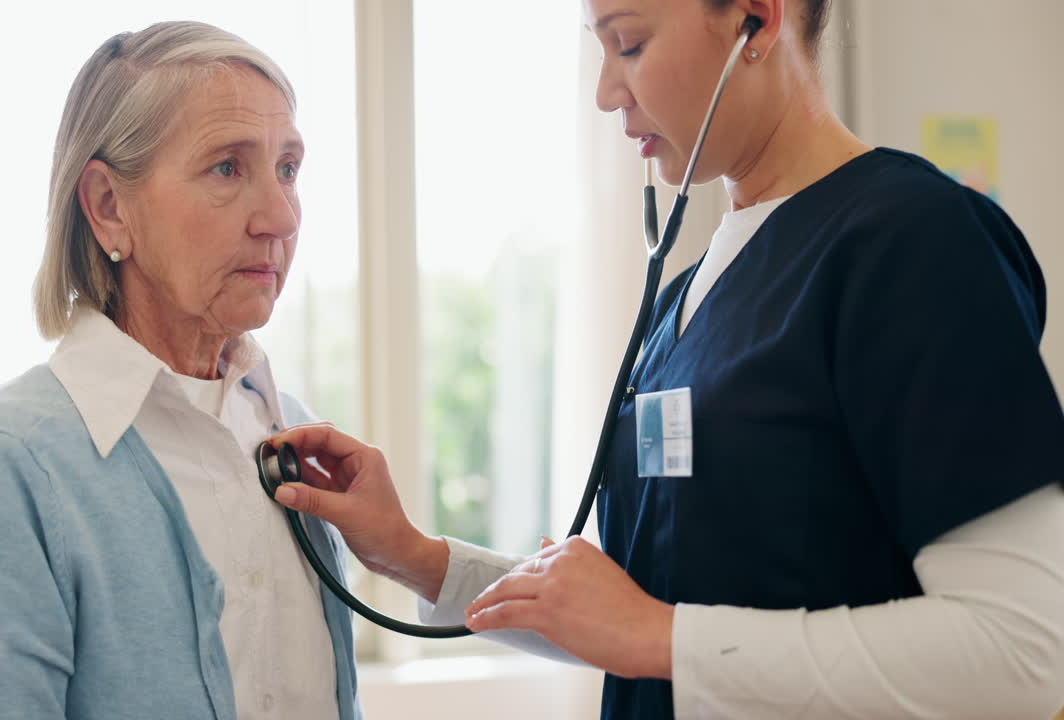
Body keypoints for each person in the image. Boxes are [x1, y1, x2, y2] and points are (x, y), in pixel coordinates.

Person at [266, 0, 1064, 718]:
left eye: (631, 44)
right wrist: (415, 556)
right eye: (599, 52)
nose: (607, 93)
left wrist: (659, 637)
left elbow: (1028, 654)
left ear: (756, 19)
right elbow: (638, 617)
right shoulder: (686, 298)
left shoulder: (913, 246)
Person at [0, 21, 360, 720]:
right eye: (227, 168)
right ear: (109, 208)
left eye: (288, 168)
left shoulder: (291, 431)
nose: (279, 214)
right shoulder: (5, 465)